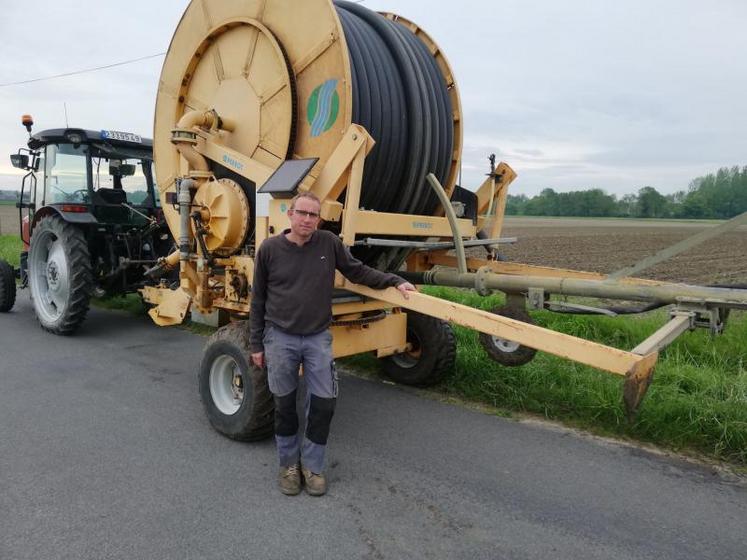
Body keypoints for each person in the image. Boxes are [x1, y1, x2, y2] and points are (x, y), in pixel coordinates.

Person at [249, 191, 416, 496]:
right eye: (302, 213)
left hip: (317, 337)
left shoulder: (328, 243)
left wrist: (393, 280)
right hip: (280, 338)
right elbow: (257, 299)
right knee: (284, 405)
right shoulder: (270, 250)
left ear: (319, 219)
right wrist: (256, 344)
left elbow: (357, 271)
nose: (307, 220)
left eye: (314, 215)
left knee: (324, 403)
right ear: (290, 214)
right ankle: (288, 464)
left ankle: (313, 466)